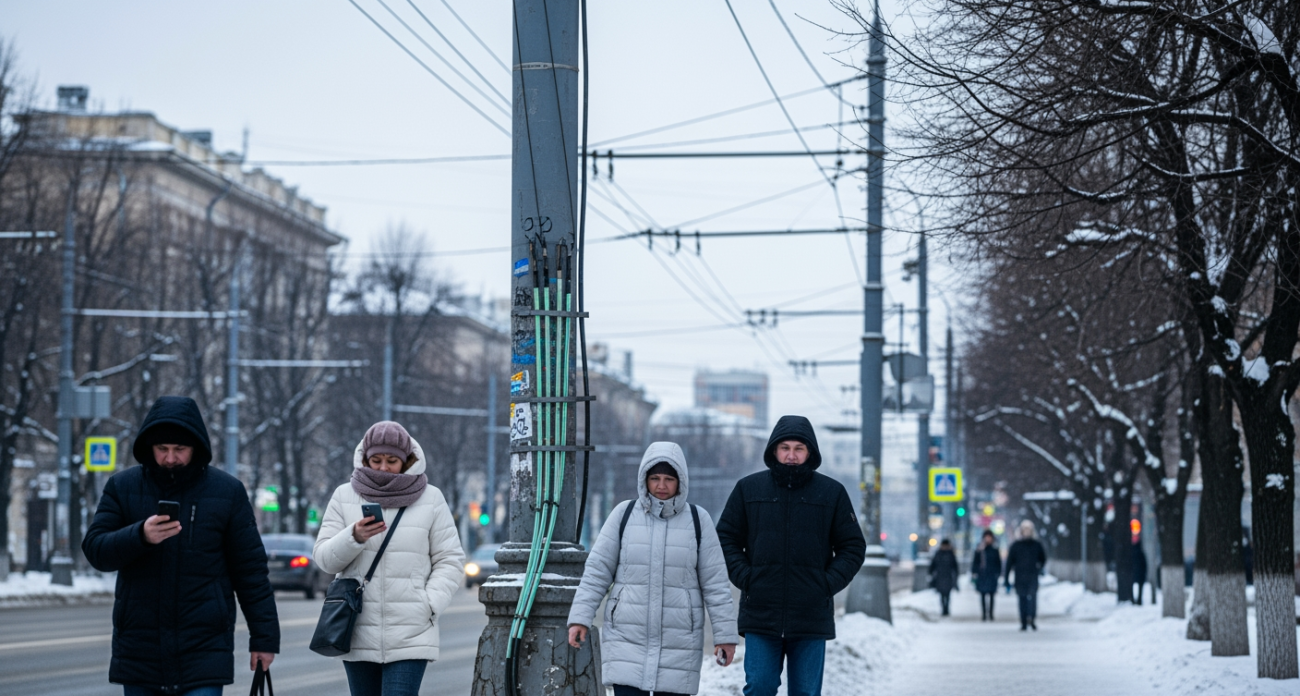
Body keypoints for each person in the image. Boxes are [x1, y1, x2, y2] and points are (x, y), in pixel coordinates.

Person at [83, 396, 280, 696]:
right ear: (150, 447)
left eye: (180, 449)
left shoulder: (227, 492)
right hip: (140, 648)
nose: (170, 458)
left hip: (204, 646)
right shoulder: (122, 487)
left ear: (196, 448)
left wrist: (264, 640)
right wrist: (140, 536)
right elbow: (96, 549)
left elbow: (251, 572)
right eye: (162, 449)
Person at [567, 442, 738, 696]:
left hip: (679, 641)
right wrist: (580, 618)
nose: (661, 486)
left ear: (680, 481)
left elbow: (715, 584)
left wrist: (725, 636)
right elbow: (597, 571)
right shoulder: (622, 515)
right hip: (627, 636)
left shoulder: (698, 521)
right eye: (655, 478)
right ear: (644, 479)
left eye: (669, 479)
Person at [716, 415, 866, 696]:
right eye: (785, 448)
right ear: (774, 450)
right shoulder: (749, 489)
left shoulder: (831, 493)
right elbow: (726, 538)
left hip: (810, 615)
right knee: (759, 687)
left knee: (806, 693)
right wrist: (747, 577)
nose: (792, 456)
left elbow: (852, 546)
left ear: (810, 452)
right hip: (761, 612)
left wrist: (825, 584)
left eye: (799, 448)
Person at [313, 421, 465, 696]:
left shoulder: (430, 498)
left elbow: (450, 559)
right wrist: (354, 537)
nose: (383, 468)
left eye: (392, 461)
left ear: (407, 460)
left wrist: (429, 604)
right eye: (376, 460)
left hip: (411, 631)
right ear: (365, 458)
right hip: (357, 631)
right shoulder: (344, 496)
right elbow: (325, 560)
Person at [1004, 520, 1047, 631]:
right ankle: (1023, 621)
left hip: (1033, 575)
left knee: (1032, 598)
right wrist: (1006, 578)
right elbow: (1009, 562)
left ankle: (1032, 619)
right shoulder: (1016, 546)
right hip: (1020, 576)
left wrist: (1039, 568)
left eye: (1029, 530)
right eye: (1025, 530)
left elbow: (1043, 558)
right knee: (1022, 599)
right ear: (1021, 531)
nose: (1027, 532)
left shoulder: (1036, 545)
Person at [970, 530, 1003, 621]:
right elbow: (975, 563)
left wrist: (998, 573)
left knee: (992, 595)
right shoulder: (979, 550)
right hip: (982, 575)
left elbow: (998, 563)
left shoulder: (994, 550)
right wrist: (974, 573)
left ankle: (991, 614)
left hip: (992, 575)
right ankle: (984, 614)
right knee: (983, 595)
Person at [928, 539, 959, 616]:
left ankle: (946, 609)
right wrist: (931, 572)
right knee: (942, 594)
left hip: (948, 576)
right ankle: (943, 609)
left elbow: (955, 566)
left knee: (947, 594)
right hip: (940, 576)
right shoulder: (939, 553)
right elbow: (933, 564)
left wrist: (955, 574)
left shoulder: (950, 554)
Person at [1131, 539, 1148, 606]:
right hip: (1141, 574)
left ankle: (1133, 599)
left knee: (1132, 587)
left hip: (1134, 573)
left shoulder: (1132, 554)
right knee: (1140, 588)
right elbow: (1144, 565)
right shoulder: (1141, 553)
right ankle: (1139, 600)